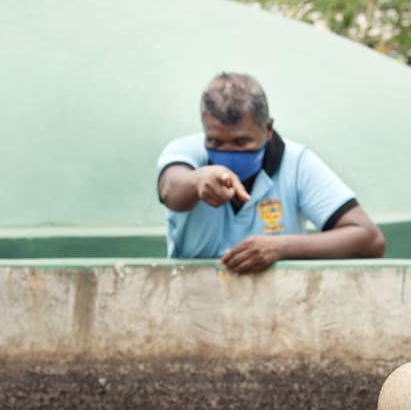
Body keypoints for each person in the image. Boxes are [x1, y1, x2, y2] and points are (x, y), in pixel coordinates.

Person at [156, 72, 385, 272]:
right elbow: (170, 190)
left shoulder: (297, 163)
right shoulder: (187, 152)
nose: (227, 152)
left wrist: (282, 248)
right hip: (193, 306)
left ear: (267, 129)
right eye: (215, 141)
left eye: (241, 142)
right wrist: (197, 180)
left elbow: (369, 239)